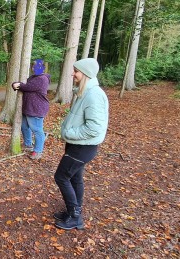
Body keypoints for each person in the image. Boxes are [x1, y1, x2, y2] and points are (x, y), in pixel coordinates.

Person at [53, 58, 109, 230]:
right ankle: (73, 212)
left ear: (85, 74)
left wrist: (69, 133)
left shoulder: (94, 95)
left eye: (76, 71)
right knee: (75, 177)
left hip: (83, 147)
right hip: (77, 145)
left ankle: (75, 217)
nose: (72, 74)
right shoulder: (83, 92)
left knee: (61, 176)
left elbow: (94, 128)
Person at [12, 59, 50, 160]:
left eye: (37, 67)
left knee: (37, 130)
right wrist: (18, 85)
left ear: (42, 68)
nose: (34, 68)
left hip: (37, 109)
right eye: (33, 67)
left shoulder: (42, 79)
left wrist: (16, 84)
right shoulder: (33, 77)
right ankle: (28, 144)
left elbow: (27, 87)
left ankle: (38, 151)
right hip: (28, 108)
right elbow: (25, 86)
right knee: (24, 127)